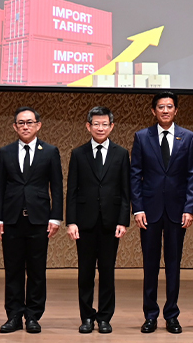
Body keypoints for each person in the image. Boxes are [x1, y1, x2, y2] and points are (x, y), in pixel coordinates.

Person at [130, 91, 193, 334]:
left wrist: (190, 208)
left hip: (177, 211)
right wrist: (137, 208)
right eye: (161, 107)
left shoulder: (188, 137)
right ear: (153, 111)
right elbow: (135, 175)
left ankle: (172, 315)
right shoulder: (142, 137)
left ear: (176, 110)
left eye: (170, 107)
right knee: (150, 265)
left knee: (173, 264)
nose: (165, 110)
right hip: (149, 211)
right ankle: (150, 315)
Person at [0, 107, 63, 334]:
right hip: (11, 219)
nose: (25, 126)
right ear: (15, 126)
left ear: (38, 125)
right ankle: (14, 315)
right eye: (21, 123)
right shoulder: (6, 152)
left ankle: (33, 315)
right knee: (12, 270)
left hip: (39, 219)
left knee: (36, 270)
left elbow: (57, 187)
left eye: (29, 122)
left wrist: (56, 217)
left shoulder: (50, 151)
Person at [66, 106, 131, 334]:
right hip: (84, 223)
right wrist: (71, 222)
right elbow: (72, 191)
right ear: (88, 126)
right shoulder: (78, 153)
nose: (100, 128)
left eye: (105, 124)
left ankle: (104, 317)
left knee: (107, 272)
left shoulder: (121, 154)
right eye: (96, 124)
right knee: (85, 273)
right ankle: (86, 317)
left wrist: (123, 221)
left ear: (112, 126)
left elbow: (125, 191)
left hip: (110, 223)